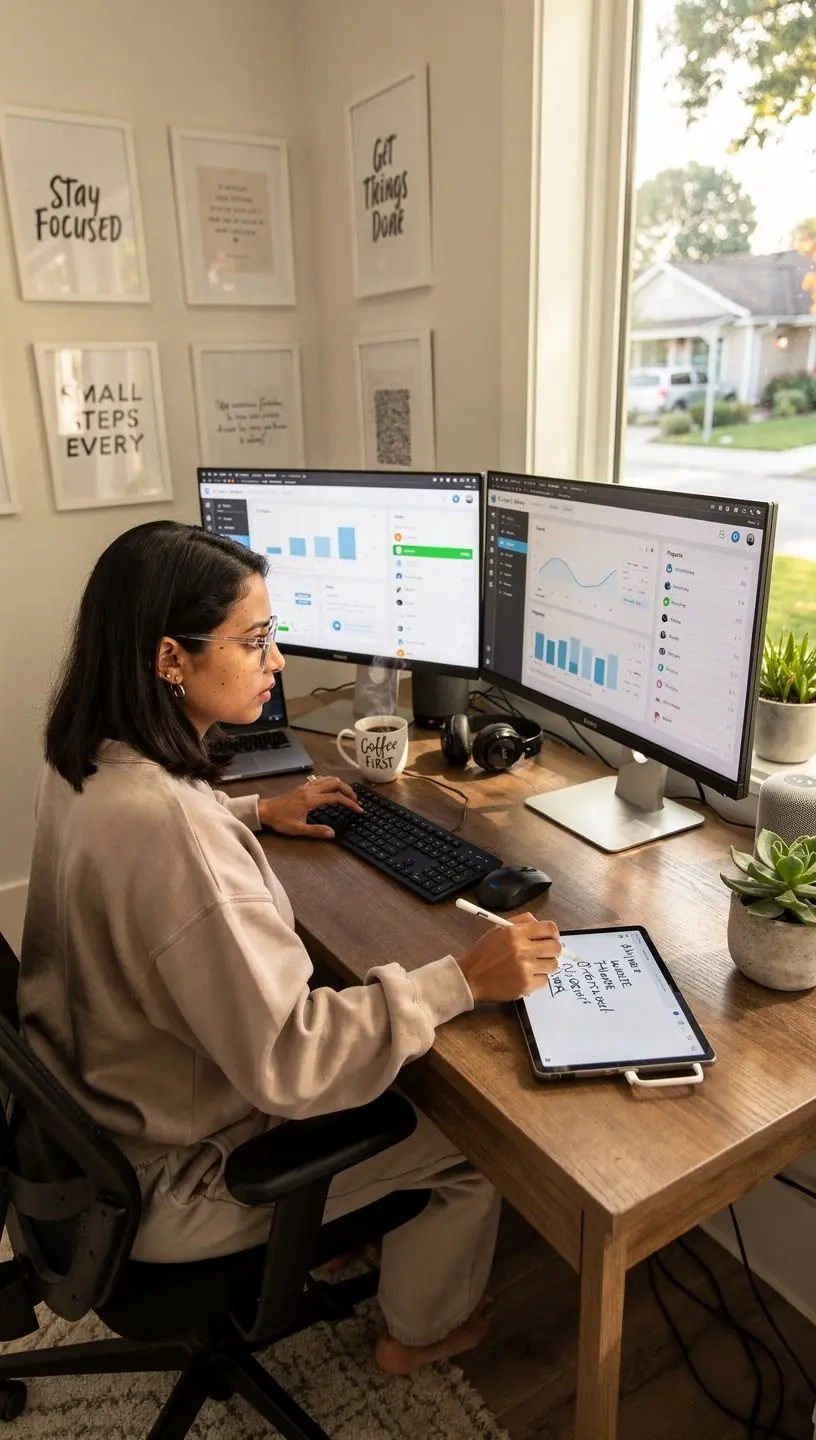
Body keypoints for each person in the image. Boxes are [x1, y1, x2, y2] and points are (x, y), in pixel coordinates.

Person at [18, 521, 561, 1376]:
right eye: (255, 640)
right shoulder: (177, 835)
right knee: (476, 1144)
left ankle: (354, 1226)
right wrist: (462, 978)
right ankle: (419, 1335)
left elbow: (157, 850)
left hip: (91, 1131)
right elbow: (292, 1061)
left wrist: (250, 814)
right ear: (170, 658)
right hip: (177, 1181)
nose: (276, 661)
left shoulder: (85, 756)